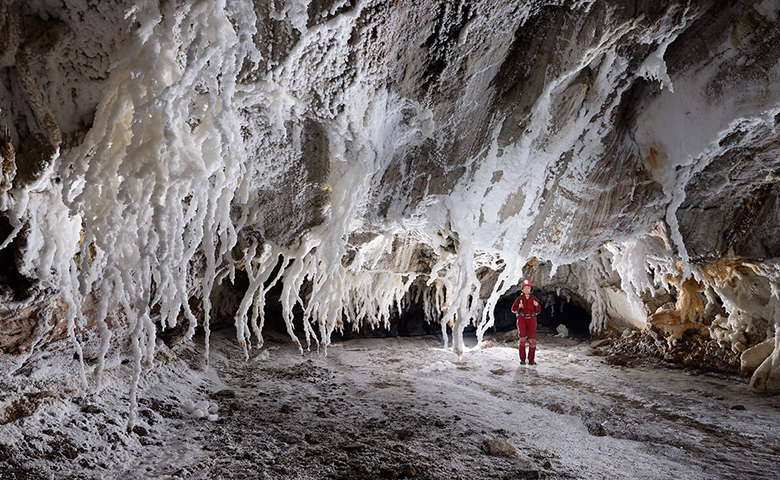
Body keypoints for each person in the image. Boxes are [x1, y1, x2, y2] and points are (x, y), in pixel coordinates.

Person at [511, 279, 541, 365]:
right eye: (525, 288)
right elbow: (513, 309)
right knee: (522, 340)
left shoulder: (534, 298)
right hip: (522, 319)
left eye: (528, 288)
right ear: (522, 289)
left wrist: (537, 305)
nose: (527, 289)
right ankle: (522, 359)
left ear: (531, 289)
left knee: (532, 341)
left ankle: (531, 360)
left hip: (531, 319)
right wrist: (518, 307)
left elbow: (538, 311)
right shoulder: (519, 298)